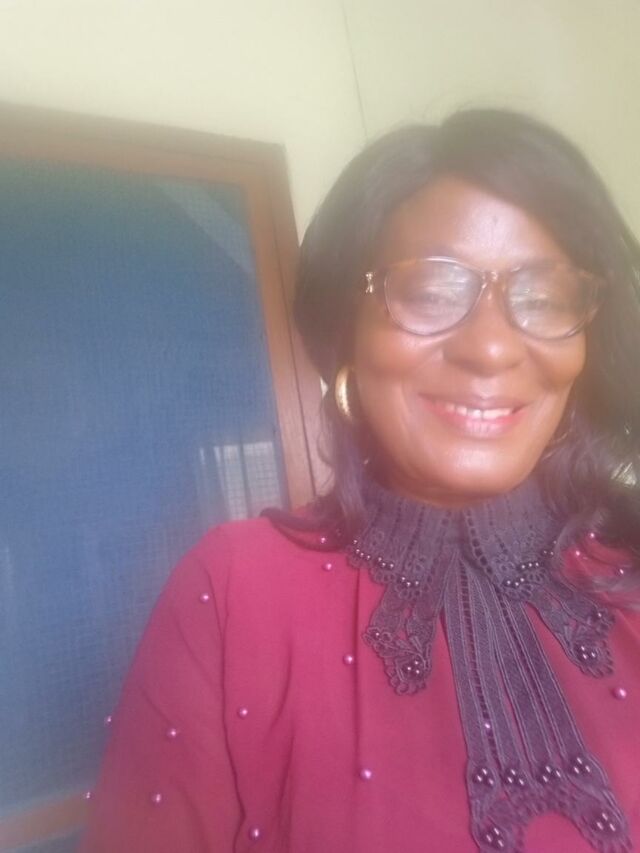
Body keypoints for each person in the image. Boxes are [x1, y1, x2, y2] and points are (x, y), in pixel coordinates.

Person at [80, 109, 640, 853]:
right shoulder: (233, 591)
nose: (492, 348)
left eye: (544, 297)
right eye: (432, 290)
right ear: (347, 329)